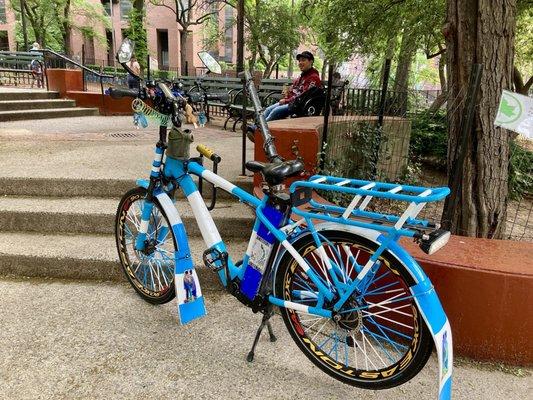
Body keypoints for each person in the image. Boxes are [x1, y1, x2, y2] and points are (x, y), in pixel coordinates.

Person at [247, 50, 322, 141]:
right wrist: (287, 95)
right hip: (293, 102)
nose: (300, 63)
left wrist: (286, 100)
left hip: (300, 106)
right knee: (268, 109)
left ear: (311, 61)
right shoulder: (302, 76)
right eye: (299, 61)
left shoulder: (313, 77)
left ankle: (258, 132)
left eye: (303, 60)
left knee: (276, 111)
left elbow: (303, 96)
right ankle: (256, 129)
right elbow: (295, 91)